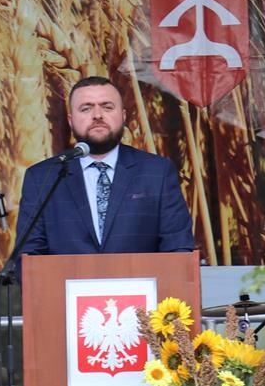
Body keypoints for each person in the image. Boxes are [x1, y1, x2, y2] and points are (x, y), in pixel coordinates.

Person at [15, 76, 195, 255]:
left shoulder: (157, 172)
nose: (97, 115)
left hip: (138, 275)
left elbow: (178, 248)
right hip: (67, 275)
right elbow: (29, 255)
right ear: (70, 120)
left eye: (107, 107)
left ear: (123, 116)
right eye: (86, 108)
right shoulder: (42, 177)